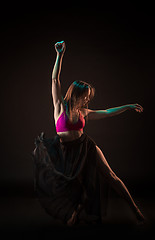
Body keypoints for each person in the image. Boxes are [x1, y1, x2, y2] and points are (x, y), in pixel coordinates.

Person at [33, 41, 145, 226]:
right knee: (73, 186)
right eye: (85, 96)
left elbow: (108, 112)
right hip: (65, 151)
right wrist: (59, 55)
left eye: (88, 97)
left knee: (111, 175)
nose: (87, 99)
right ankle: (75, 213)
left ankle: (136, 210)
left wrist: (128, 106)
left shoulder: (84, 112)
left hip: (85, 147)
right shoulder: (60, 106)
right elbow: (55, 80)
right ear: (76, 94)